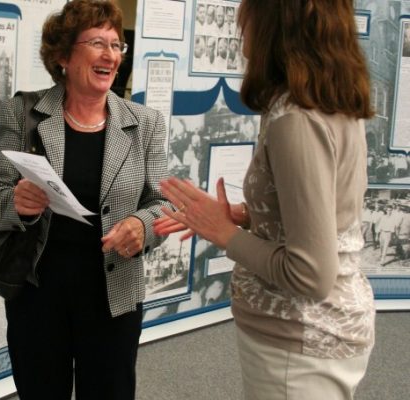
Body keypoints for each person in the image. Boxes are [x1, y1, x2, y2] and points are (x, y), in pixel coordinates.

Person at [153, 1, 375, 399]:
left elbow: (311, 275)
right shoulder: (329, 101)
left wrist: (223, 233)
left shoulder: (296, 120)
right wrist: (247, 217)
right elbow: (324, 215)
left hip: (300, 346)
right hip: (316, 339)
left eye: (247, 18)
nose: (242, 35)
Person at [0, 1, 170, 398]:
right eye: (98, 42)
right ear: (63, 55)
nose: (111, 55)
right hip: (38, 293)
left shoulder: (145, 123)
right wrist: (17, 201)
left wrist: (142, 226)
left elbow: (163, 203)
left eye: (117, 45)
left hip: (114, 293)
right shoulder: (23, 112)